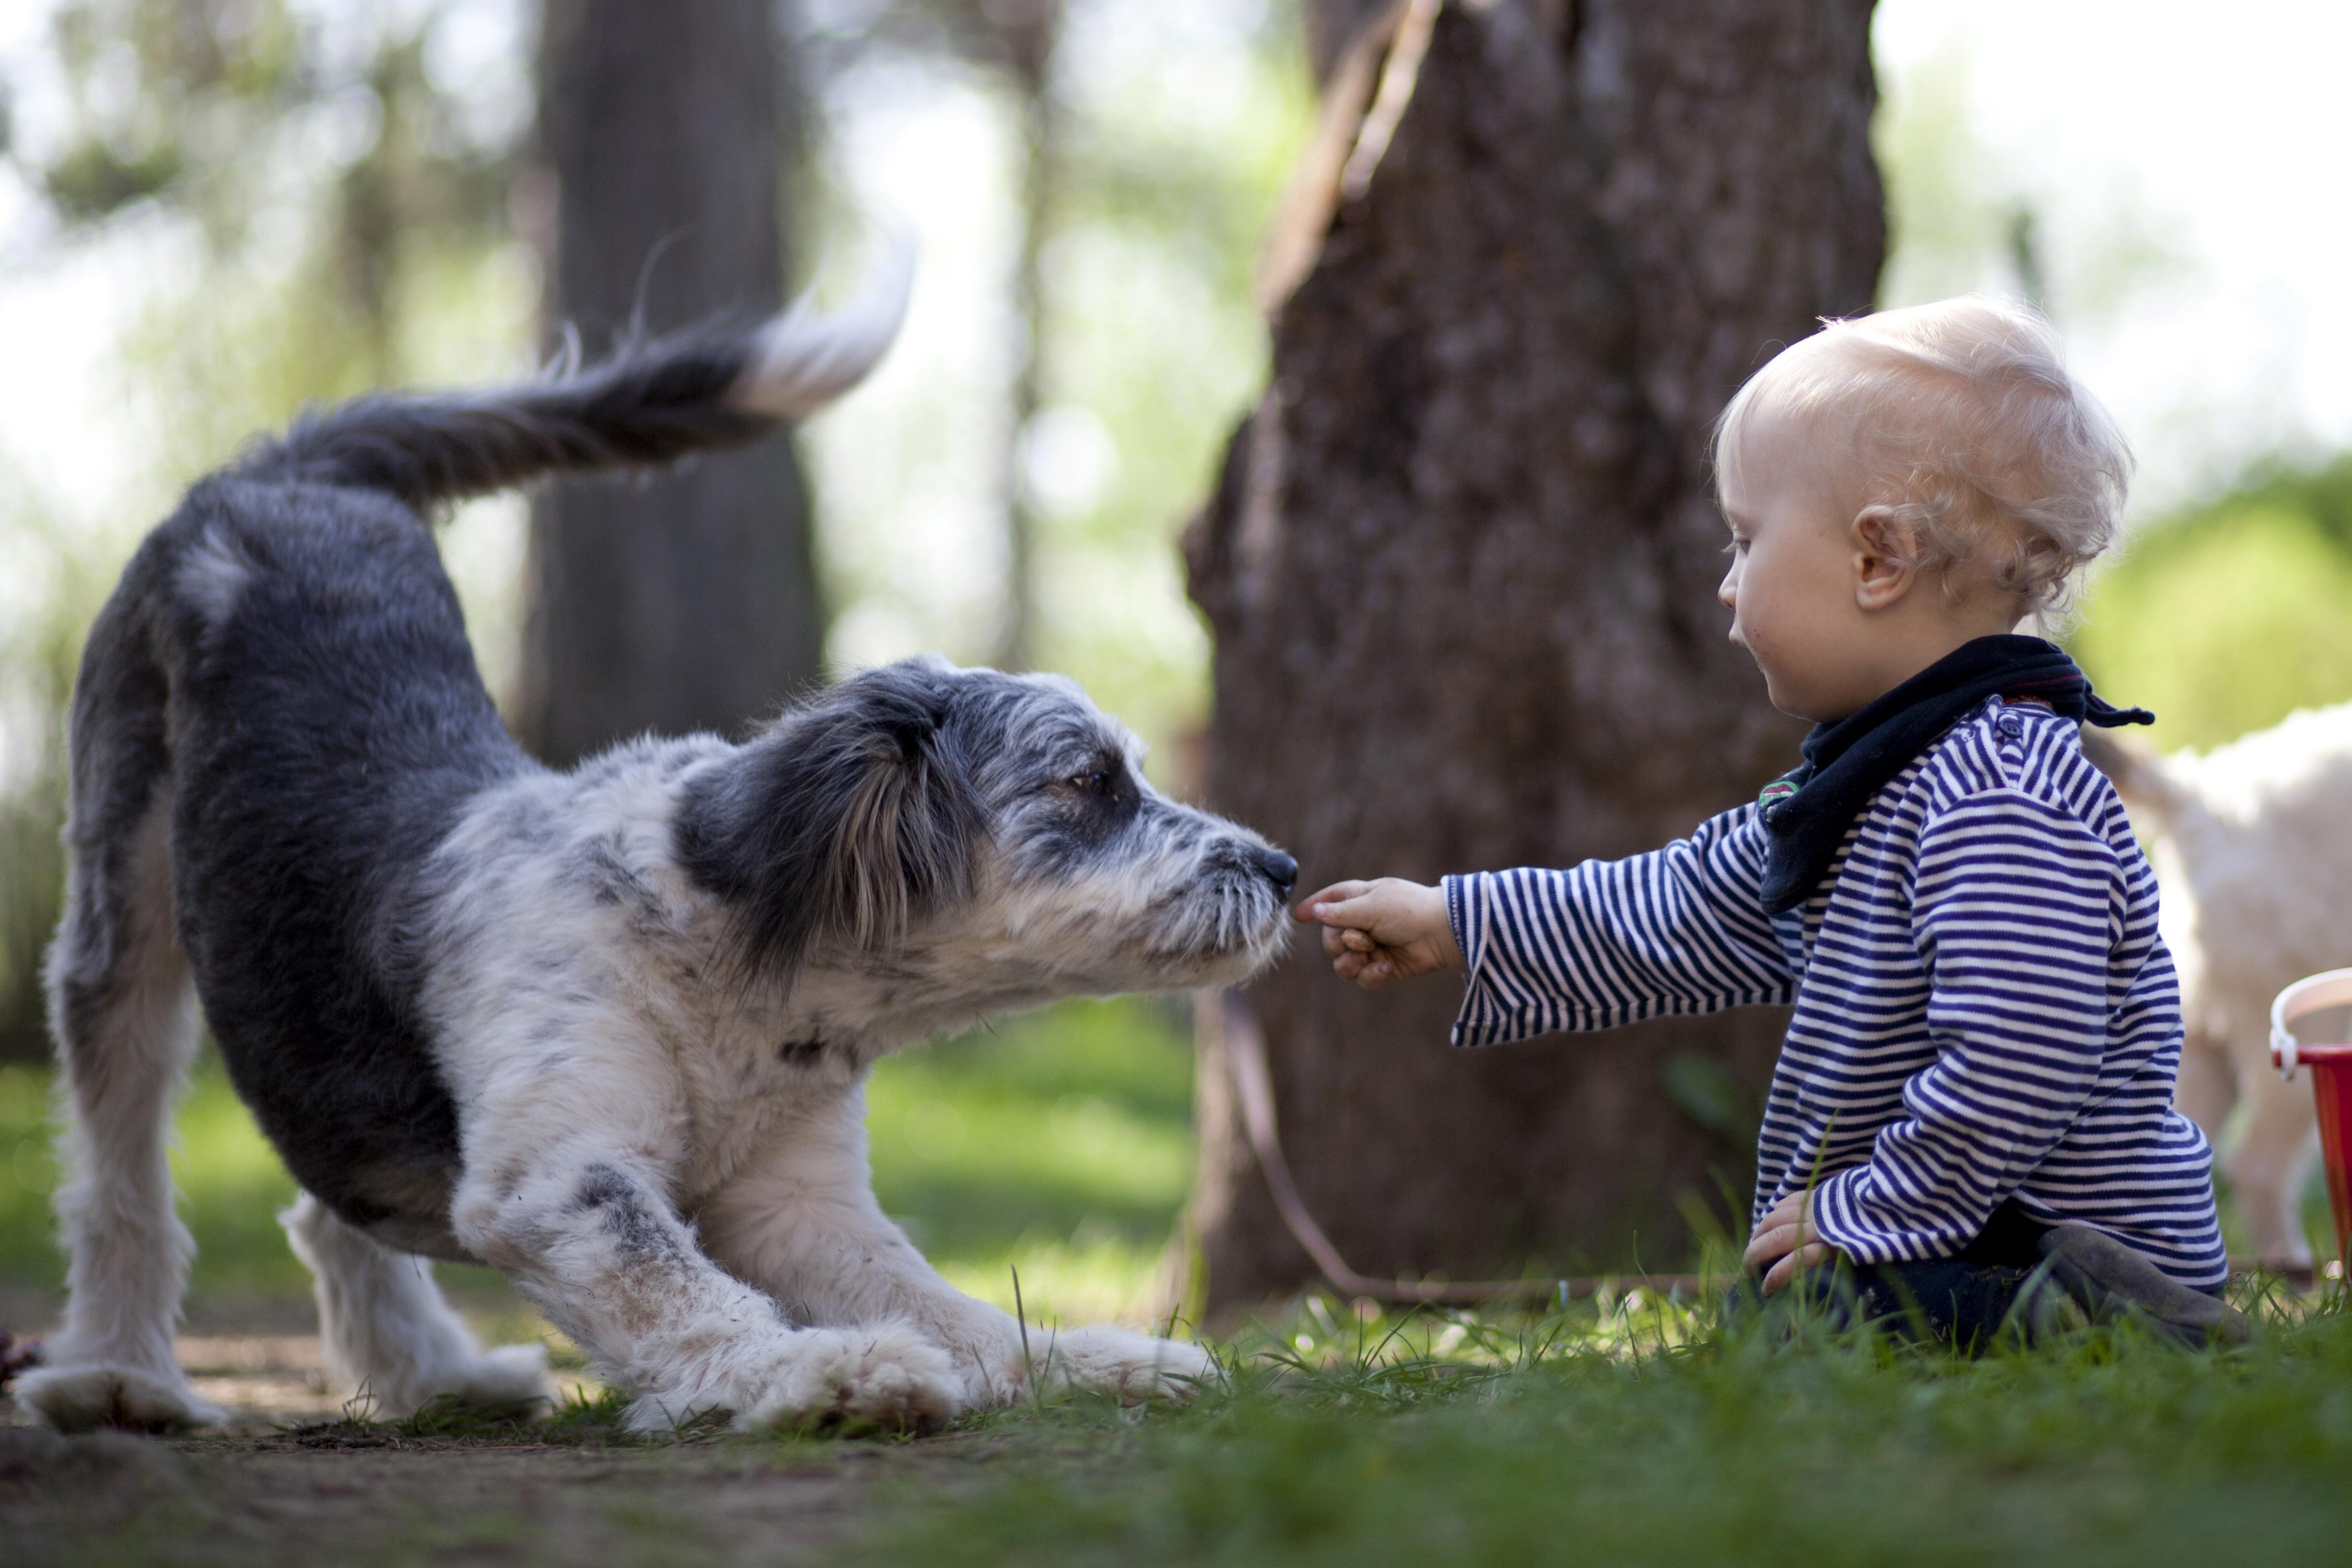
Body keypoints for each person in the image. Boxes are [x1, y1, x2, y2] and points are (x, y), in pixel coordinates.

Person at [1296, 297, 2246, 1346]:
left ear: (1876, 560)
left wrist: (1873, 1213)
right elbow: (1673, 909)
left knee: (1809, 1321)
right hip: (1954, 1233)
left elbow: (2021, 1050)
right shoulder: (1876, 784)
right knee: (1793, 1317)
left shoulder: (1999, 787)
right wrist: (1459, 922)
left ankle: (2100, 1321)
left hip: (2042, 1241)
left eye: (1747, 541)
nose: (1724, 585)